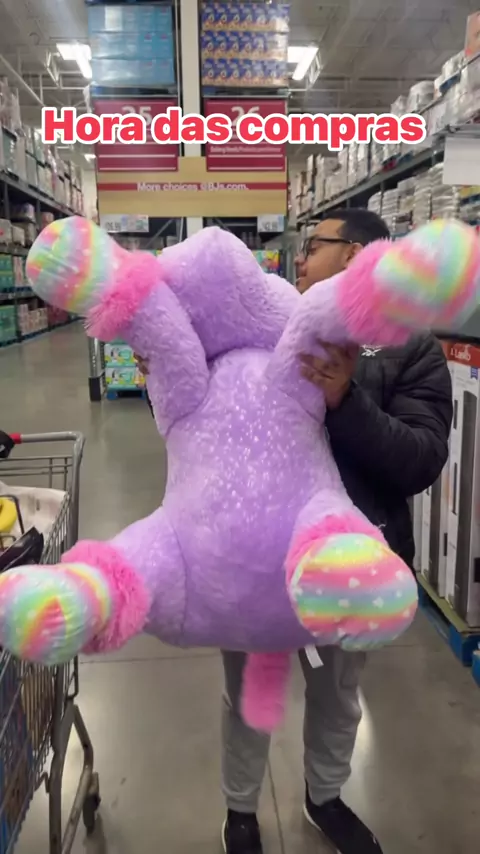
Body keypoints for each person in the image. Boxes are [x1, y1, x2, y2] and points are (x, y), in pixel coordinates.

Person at [135, 209, 453, 854]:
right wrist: (160, 374)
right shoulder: (267, 321)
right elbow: (204, 424)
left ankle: (325, 797)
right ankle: (240, 810)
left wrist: (345, 399)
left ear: (355, 254)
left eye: (315, 245)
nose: (300, 258)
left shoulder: (410, 348)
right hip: (254, 563)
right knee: (250, 694)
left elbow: (420, 458)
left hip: (346, 565)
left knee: (338, 696)